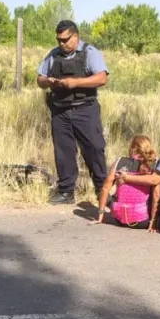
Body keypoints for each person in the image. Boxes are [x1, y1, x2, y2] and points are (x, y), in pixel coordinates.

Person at [36, 20, 109, 205]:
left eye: (66, 39)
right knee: (63, 152)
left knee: (94, 149)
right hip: (60, 110)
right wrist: (49, 82)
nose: (62, 43)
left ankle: (103, 190)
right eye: (59, 40)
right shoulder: (53, 55)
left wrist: (75, 83)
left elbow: (101, 78)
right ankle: (66, 191)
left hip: (85, 109)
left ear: (75, 36)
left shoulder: (89, 53)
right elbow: (39, 79)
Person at [93, 135, 160, 231]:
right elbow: (156, 195)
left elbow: (105, 189)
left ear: (132, 148)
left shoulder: (120, 161)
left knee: (107, 195)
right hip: (143, 221)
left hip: (119, 219)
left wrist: (101, 215)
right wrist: (153, 221)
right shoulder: (154, 164)